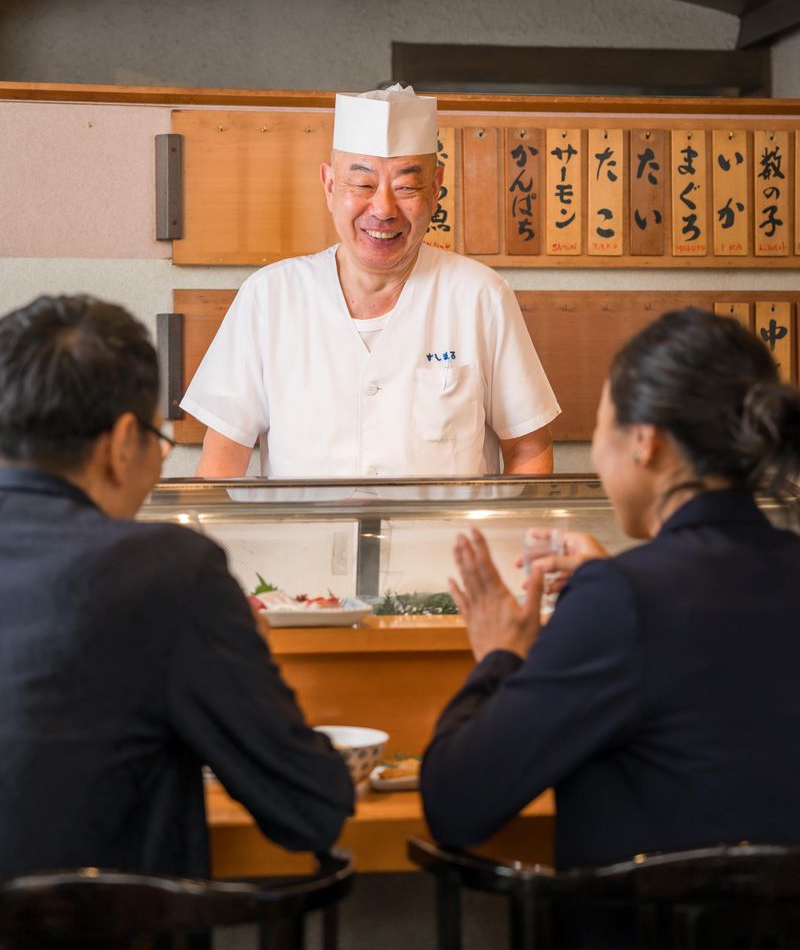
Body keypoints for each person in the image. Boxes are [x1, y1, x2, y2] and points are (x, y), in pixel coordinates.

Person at [421, 309, 800, 936]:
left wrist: (500, 657)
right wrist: (617, 580)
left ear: (644, 440)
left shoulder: (622, 600)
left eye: (599, 426)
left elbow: (454, 804)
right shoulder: (635, 591)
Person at [0, 294, 353, 877]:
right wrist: (249, 656)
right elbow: (312, 808)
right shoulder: (166, 572)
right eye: (158, 442)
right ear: (120, 445)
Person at [181, 84, 559, 479]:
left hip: (445, 541)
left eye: (406, 187)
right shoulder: (269, 297)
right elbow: (224, 453)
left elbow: (529, 447)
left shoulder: (480, 295)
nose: (382, 209)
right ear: (329, 186)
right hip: (300, 541)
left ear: (435, 189)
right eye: (362, 185)